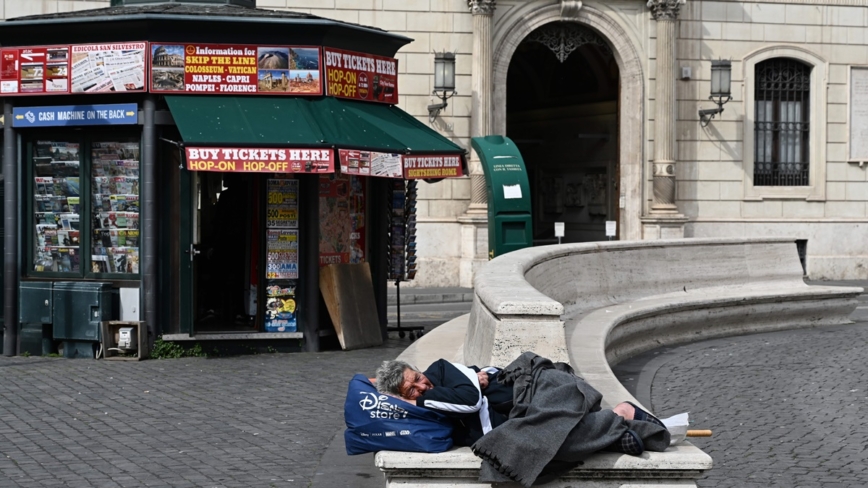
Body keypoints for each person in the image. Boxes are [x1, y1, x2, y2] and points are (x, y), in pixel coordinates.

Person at [374, 352, 670, 488]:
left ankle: (620, 419)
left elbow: (469, 401)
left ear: (418, 369)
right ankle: (617, 424)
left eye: (417, 379)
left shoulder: (440, 370)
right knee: (535, 446)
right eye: (411, 390)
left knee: (540, 437)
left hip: (539, 388)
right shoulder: (431, 407)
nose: (422, 387)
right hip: (524, 413)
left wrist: (419, 398)